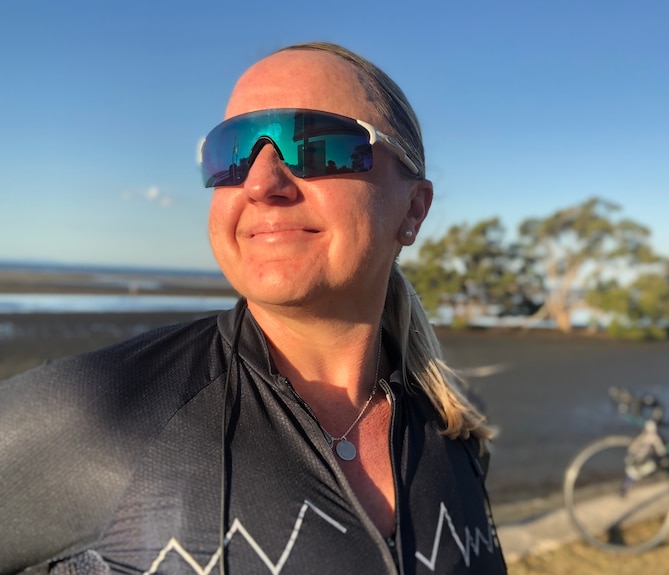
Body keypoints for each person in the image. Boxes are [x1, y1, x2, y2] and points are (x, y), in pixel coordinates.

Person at [0, 42, 507, 574]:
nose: (262, 183)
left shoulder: (455, 428)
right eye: (233, 153)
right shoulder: (104, 408)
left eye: (317, 145)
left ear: (414, 208)